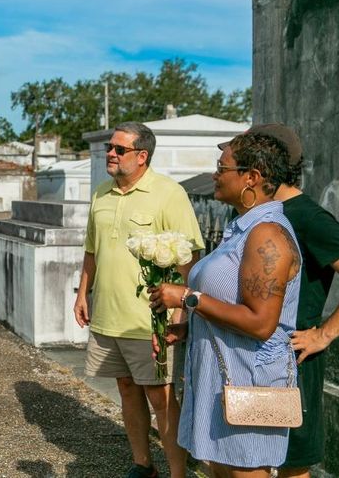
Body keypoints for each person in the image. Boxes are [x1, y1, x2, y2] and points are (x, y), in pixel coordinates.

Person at [149, 132, 301, 477]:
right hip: (221, 378)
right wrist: (186, 326)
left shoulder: (267, 235)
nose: (215, 175)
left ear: (252, 177)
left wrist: (187, 298)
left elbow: (261, 322)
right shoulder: (242, 229)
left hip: (250, 382)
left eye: (222, 168)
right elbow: (225, 302)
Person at [73, 122, 205, 478]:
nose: (110, 154)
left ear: (142, 156)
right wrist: (83, 292)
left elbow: (188, 259)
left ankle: (178, 472)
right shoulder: (101, 193)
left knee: (161, 398)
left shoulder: (168, 193)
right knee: (126, 389)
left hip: (151, 319)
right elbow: (92, 250)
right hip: (107, 317)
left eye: (119, 149)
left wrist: (181, 315)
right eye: (109, 149)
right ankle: (143, 465)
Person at [227, 125, 339, 478]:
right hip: (244, 352)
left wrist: (323, 335)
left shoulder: (307, 217)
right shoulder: (250, 212)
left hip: (290, 359)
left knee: (290, 462)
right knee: (241, 456)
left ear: (261, 167)